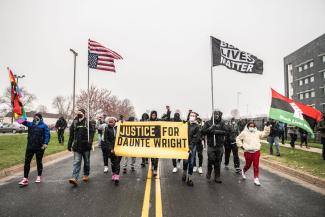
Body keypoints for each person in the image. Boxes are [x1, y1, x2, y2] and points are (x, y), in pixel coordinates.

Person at [18, 113, 50, 186]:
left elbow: (47, 135)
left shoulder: (44, 126)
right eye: (34, 117)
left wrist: (45, 143)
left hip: (40, 147)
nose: (35, 118)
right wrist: (19, 114)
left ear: (40, 118)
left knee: (39, 162)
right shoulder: (30, 124)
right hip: (30, 147)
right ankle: (25, 179)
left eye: (37, 117)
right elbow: (21, 121)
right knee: (27, 162)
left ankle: (39, 176)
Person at [236, 121, 270, 186]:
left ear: (255, 127)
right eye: (250, 126)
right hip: (247, 152)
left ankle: (256, 178)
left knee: (256, 165)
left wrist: (267, 127)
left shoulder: (258, 132)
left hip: (256, 151)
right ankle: (243, 170)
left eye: (253, 126)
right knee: (248, 165)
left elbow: (265, 134)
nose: (251, 127)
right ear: (248, 126)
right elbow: (238, 138)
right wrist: (241, 146)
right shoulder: (244, 133)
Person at [67, 109, 95, 187]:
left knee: (86, 161)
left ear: (84, 114)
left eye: (80, 113)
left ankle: (86, 174)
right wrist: (69, 144)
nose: (78, 114)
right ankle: (74, 178)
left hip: (86, 146)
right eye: (78, 113)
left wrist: (90, 142)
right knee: (77, 161)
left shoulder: (88, 122)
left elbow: (92, 133)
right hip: (77, 146)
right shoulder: (75, 122)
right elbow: (71, 134)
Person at [201, 110, 228, 183]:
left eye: (218, 114)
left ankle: (217, 176)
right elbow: (203, 132)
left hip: (219, 145)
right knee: (211, 159)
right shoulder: (208, 123)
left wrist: (216, 131)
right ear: (213, 115)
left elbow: (226, 132)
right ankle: (209, 171)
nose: (216, 115)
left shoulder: (222, 123)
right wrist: (210, 129)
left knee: (218, 161)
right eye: (215, 114)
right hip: (211, 145)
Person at [182, 112, 200, 186]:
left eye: (193, 116)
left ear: (195, 117)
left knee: (191, 162)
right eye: (191, 115)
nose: (192, 117)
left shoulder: (196, 126)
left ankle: (190, 178)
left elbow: (196, 138)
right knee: (185, 161)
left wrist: (190, 147)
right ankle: (184, 172)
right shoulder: (185, 124)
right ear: (188, 116)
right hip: (184, 145)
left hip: (192, 146)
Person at [102, 117, 121, 185]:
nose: (110, 123)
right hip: (111, 149)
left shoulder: (119, 127)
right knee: (113, 163)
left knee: (117, 162)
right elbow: (106, 140)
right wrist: (110, 149)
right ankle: (113, 173)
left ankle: (116, 176)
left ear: (115, 121)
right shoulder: (106, 129)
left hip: (119, 148)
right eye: (109, 122)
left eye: (111, 121)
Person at [150, 110, 159, 176]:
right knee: (152, 155)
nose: (153, 116)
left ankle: (155, 169)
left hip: (157, 141)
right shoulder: (148, 121)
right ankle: (153, 164)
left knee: (156, 156)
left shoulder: (159, 121)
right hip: (150, 141)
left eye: (154, 115)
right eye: (152, 115)